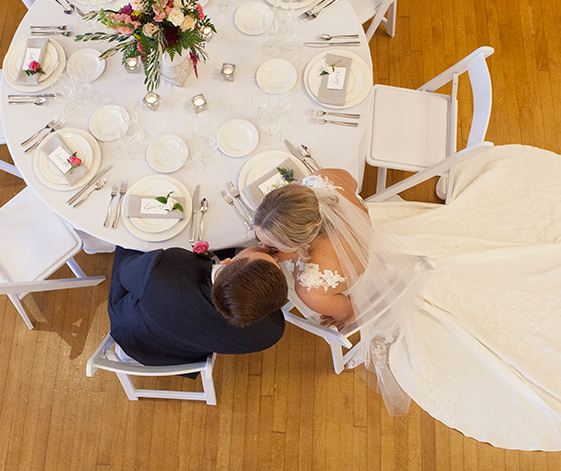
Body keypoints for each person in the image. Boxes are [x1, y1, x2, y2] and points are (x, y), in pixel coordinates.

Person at [251, 168, 431, 414]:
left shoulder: (311, 286)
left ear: (301, 243)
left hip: (354, 277)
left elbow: (351, 313)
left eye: (272, 247)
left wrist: (333, 311)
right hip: (367, 240)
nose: (261, 248)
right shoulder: (323, 180)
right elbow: (351, 181)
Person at [107, 245, 288, 367]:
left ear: (226, 262)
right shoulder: (272, 331)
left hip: (137, 338)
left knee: (126, 244)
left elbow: (125, 273)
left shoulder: (166, 267)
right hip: (184, 352)